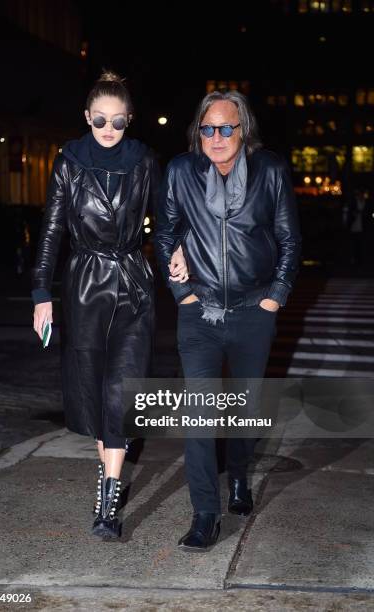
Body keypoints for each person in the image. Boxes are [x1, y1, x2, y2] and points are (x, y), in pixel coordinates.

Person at [155, 90, 301, 551]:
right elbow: (165, 233)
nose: (216, 138)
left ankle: (238, 473)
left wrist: (275, 297)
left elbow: (289, 239)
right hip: (199, 314)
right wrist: (181, 292)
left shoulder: (270, 170)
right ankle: (205, 515)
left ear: (243, 131)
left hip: (252, 312)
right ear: (198, 132)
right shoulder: (181, 171)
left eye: (225, 128)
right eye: (207, 128)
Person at [32, 71, 159, 539]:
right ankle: (106, 469)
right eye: (100, 120)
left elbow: (165, 221)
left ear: (130, 121)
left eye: (119, 122)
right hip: (85, 285)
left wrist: (181, 263)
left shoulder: (144, 161)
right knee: (92, 389)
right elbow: (52, 230)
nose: (108, 129)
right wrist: (41, 294)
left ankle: (109, 495)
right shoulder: (68, 161)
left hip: (133, 285)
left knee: (120, 391)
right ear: (87, 117)